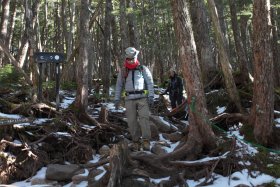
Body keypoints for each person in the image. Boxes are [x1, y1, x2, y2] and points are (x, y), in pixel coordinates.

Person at [114, 47, 154, 151]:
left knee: (144, 118)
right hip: (129, 99)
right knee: (131, 121)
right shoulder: (123, 71)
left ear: (135, 57)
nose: (130, 60)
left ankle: (146, 141)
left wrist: (151, 96)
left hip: (142, 98)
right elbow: (118, 86)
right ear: (126, 58)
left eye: (132, 58)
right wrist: (117, 99)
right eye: (129, 59)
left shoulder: (142, 68)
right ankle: (136, 141)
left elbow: (150, 82)